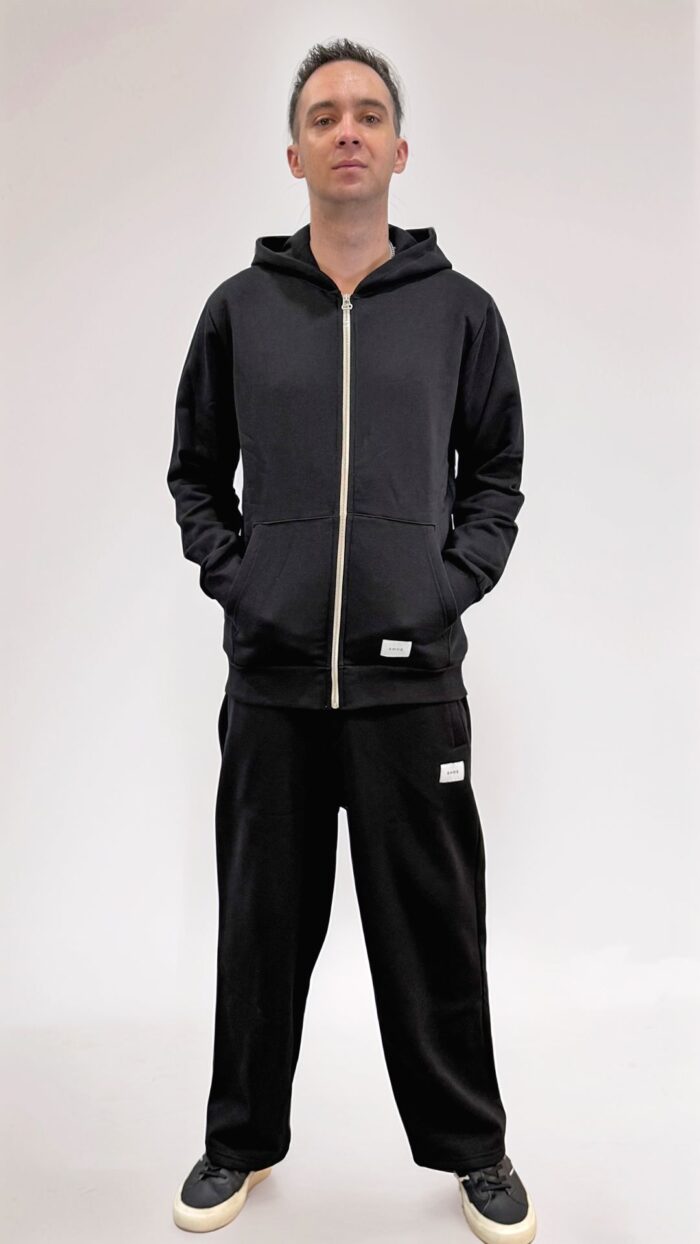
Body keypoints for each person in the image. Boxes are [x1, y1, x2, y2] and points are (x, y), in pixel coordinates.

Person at [166, 37, 536, 1244]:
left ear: (399, 149)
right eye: (323, 116)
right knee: (259, 929)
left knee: (435, 928)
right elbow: (195, 474)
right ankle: (237, 1141)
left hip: (411, 687)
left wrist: (445, 583)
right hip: (272, 685)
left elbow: (496, 472)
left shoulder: (459, 312)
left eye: (367, 113)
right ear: (293, 154)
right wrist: (244, 582)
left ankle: (474, 1149)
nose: (346, 131)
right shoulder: (238, 311)